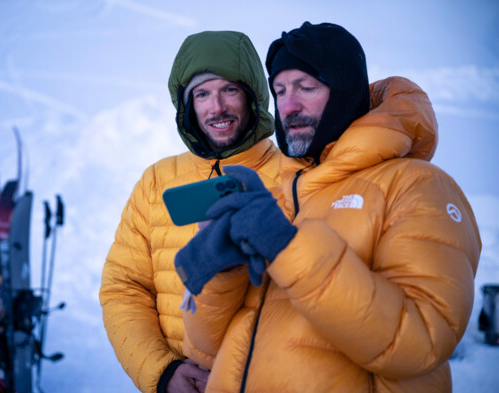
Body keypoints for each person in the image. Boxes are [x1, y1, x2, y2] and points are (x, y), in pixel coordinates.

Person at [175, 22, 481, 392]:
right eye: (280, 90)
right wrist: (221, 273)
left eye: (307, 87)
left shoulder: (417, 185)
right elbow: (205, 351)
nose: (289, 106)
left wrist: (288, 247)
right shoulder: (279, 192)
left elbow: (424, 341)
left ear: (344, 91)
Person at [99, 30, 282, 393]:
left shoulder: (294, 175)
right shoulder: (157, 181)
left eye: (229, 89)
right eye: (201, 94)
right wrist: (163, 373)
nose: (216, 108)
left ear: (253, 96)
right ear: (187, 106)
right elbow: (124, 288)